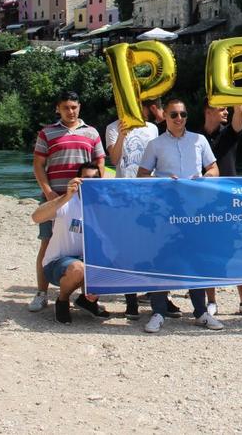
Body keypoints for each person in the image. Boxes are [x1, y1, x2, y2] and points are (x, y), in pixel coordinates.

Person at [136, 99, 223, 333]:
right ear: (164, 116)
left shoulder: (199, 140)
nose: (179, 119)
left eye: (183, 114)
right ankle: (158, 312)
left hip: (194, 209)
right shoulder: (155, 144)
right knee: (163, 259)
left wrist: (206, 178)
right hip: (165, 210)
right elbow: (142, 174)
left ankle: (201, 312)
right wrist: (162, 182)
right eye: (174, 114)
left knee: (195, 259)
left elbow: (214, 168)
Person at [29, 91, 105, 313]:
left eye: (74, 107)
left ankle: (87, 297)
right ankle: (41, 293)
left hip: (84, 199)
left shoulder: (91, 133)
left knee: (90, 244)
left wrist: (97, 193)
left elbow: (100, 162)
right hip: (56, 198)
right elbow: (38, 165)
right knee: (47, 242)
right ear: (58, 109)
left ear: (79, 106)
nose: (70, 111)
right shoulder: (47, 133)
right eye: (65, 108)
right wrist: (49, 192)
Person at [200, 99, 242, 320]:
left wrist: (235, 96)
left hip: (230, 200)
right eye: (221, 108)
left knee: (237, 249)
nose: (226, 111)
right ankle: (211, 302)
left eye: (227, 108)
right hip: (205, 202)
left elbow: (240, 116)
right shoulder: (196, 138)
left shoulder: (229, 133)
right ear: (208, 111)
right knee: (208, 250)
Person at [105, 99, 163, 320]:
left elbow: (157, 159)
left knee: (154, 246)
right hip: (125, 195)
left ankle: (159, 296)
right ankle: (131, 302)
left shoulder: (152, 128)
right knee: (128, 248)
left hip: (150, 194)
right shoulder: (112, 127)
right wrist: (122, 134)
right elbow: (114, 159)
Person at [30, 163, 109, 324]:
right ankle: (63, 300)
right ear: (77, 180)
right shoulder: (67, 203)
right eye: (86, 179)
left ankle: (87, 301)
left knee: (114, 260)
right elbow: (36, 217)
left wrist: (165, 184)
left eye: (95, 179)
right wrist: (65, 196)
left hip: (86, 260)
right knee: (78, 268)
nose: (91, 182)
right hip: (58, 264)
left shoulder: (103, 206)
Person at [105, 99, 163, 178]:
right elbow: (114, 161)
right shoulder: (112, 127)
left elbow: (155, 159)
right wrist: (121, 136)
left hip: (148, 183)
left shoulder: (153, 128)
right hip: (124, 185)